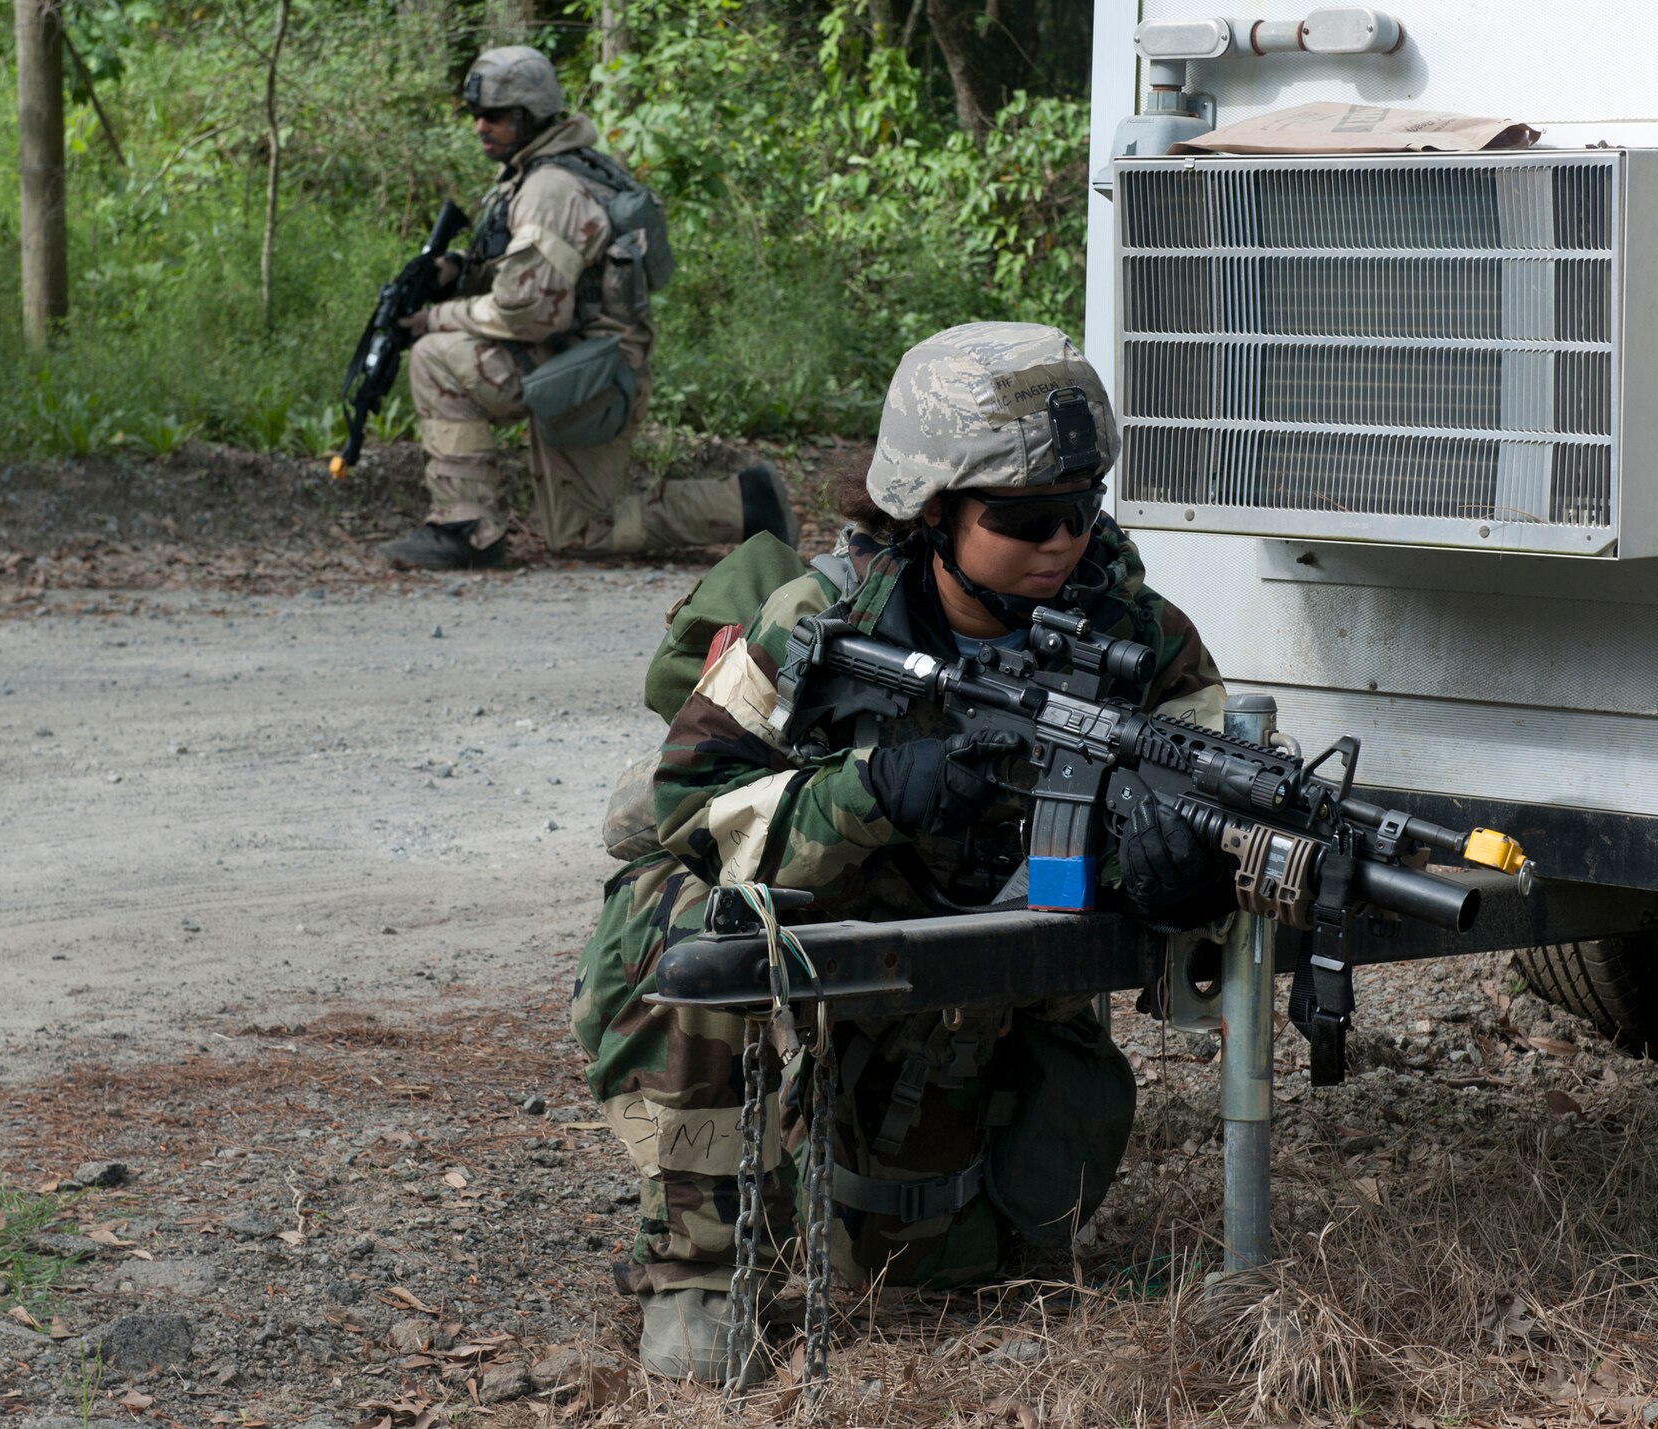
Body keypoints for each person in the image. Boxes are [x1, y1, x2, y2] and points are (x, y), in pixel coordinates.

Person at [570, 322, 1236, 1382]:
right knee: (682, 917)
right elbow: (686, 805)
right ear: (929, 511)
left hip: (992, 977)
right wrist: (866, 791)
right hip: (838, 931)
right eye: (1023, 518)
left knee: (926, 1265)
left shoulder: (1137, 634)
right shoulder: (814, 622)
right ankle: (697, 1268)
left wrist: (1187, 866)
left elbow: (1226, 776)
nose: (1061, 541)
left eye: (1081, 507)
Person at [379, 46, 796, 570]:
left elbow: (529, 312)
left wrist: (432, 319)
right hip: (576, 360)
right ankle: (465, 523)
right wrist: (459, 269)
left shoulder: (550, 187)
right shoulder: (540, 172)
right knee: (580, 534)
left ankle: (466, 528)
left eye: (495, 116)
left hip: (592, 373)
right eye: (476, 115)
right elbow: (533, 273)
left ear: (528, 117)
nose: (481, 126)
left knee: (435, 355)